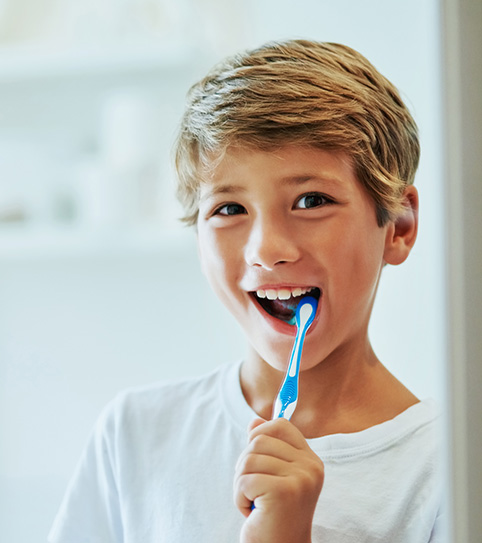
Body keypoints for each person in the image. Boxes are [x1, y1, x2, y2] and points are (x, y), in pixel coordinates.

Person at [49, 39, 443, 543]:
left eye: (311, 200)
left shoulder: (444, 470)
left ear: (399, 226)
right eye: (229, 209)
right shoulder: (135, 435)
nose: (267, 250)